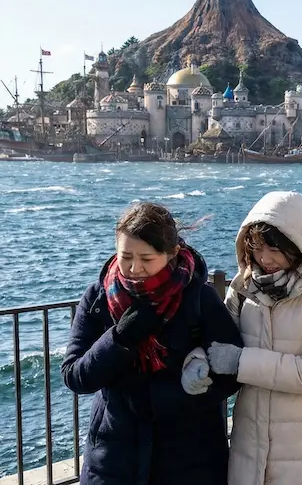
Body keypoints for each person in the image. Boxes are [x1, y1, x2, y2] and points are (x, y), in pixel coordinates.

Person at [62, 202, 243, 485]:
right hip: (113, 458)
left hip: (190, 459)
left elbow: (232, 373)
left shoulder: (198, 297)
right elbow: (75, 375)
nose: (135, 268)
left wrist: (171, 397)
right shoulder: (98, 298)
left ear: (171, 253)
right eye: (126, 256)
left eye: (146, 259)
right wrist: (119, 338)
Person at [213, 191, 302, 484]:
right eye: (256, 248)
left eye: (275, 249)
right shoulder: (242, 290)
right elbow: (218, 346)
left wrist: (241, 361)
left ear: (298, 245)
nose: (264, 259)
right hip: (251, 449)